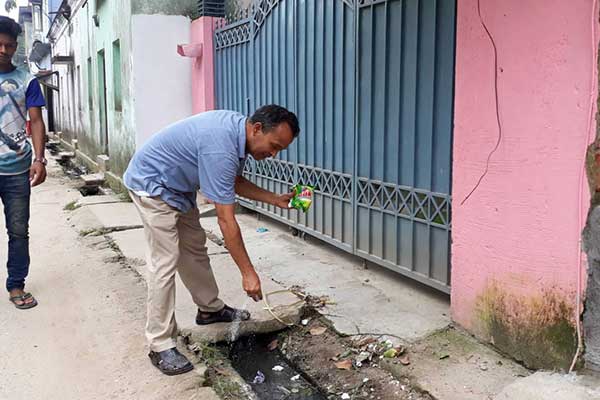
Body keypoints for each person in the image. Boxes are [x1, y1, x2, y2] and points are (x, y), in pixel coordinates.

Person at [124, 104, 299, 375]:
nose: (273, 154)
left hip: (178, 188)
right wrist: (248, 273)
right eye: (274, 145)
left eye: (280, 150)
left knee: (194, 249)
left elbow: (231, 180)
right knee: (165, 262)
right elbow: (226, 220)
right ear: (256, 129)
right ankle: (160, 345)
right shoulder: (222, 145)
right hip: (152, 185)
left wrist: (274, 199)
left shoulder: (238, 137)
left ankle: (210, 310)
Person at [0, 17, 47, 310]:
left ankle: (16, 284)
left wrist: (40, 159)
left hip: (17, 169)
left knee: (18, 231)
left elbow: (37, 120)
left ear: (17, 47)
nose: (4, 50)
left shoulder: (27, 79)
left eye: (10, 45)